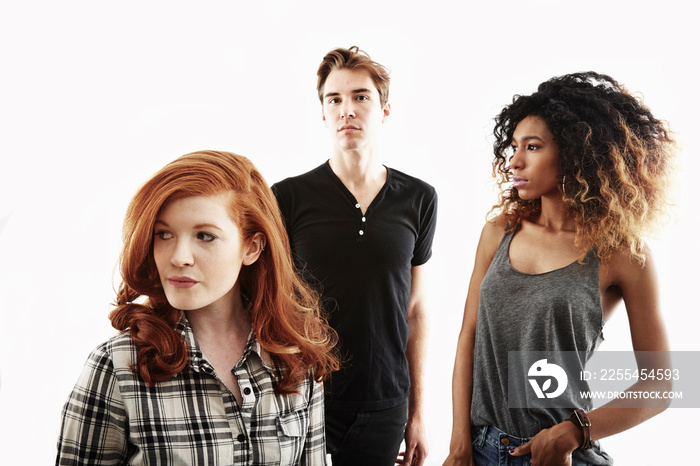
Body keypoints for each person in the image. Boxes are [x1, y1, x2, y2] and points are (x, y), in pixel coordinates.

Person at [443, 72, 676, 466]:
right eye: (514, 146)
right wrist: (459, 445)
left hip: (560, 454)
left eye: (532, 147)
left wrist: (574, 432)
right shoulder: (499, 232)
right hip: (481, 449)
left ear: (576, 152)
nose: (515, 161)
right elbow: (469, 335)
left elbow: (660, 385)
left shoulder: (622, 255)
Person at [56, 150, 339, 465]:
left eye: (205, 236)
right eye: (164, 234)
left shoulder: (296, 355)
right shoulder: (117, 365)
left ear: (252, 247)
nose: (179, 257)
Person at [272, 46, 437, 466]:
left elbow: (415, 311)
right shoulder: (288, 197)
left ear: (383, 110)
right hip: (301, 396)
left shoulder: (418, 198)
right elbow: (268, 299)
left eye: (361, 97)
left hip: (384, 401)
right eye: (335, 99)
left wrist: (417, 413)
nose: (347, 109)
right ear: (323, 113)